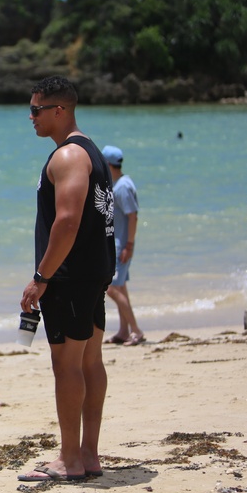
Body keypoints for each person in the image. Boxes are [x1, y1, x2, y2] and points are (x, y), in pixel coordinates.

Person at [18, 76, 115, 483]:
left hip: (70, 277)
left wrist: (41, 276)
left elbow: (68, 220)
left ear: (60, 110)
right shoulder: (90, 150)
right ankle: (88, 455)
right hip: (92, 273)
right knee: (90, 361)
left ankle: (70, 459)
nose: (31, 117)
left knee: (67, 365)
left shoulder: (70, 156)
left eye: (37, 109)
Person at [101, 146, 145, 345]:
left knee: (111, 288)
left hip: (121, 246)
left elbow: (133, 216)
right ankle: (123, 330)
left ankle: (136, 330)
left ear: (109, 165)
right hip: (116, 244)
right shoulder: (116, 183)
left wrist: (129, 245)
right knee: (120, 288)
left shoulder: (123, 187)